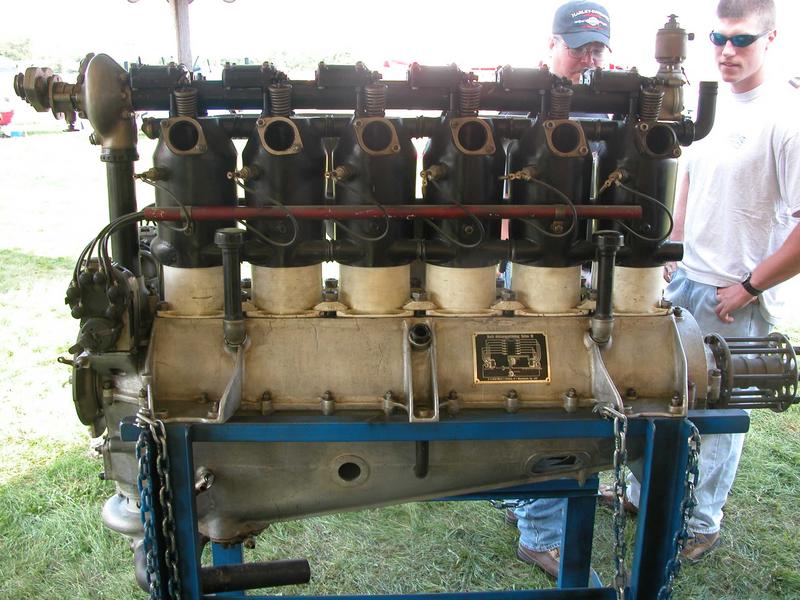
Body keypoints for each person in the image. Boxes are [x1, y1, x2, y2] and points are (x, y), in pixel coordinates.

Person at [622, 0, 800, 563]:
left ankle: (700, 521)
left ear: (770, 40)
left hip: (734, 296)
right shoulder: (707, 109)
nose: (727, 51)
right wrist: (672, 245)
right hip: (685, 282)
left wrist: (749, 287)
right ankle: (639, 495)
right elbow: (689, 181)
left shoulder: (787, 118)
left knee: (717, 417)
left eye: (742, 40)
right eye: (719, 39)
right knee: (656, 392)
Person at [504, 0, 612, 579]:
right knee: (545, 391)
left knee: (563, 391)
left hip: (585, 270)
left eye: (597, 50)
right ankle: (541, 530)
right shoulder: (515, 105)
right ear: (551, 45)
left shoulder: (611, 111)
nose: (588, 60)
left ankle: (532, 504)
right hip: (524, 273)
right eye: (578, 48)